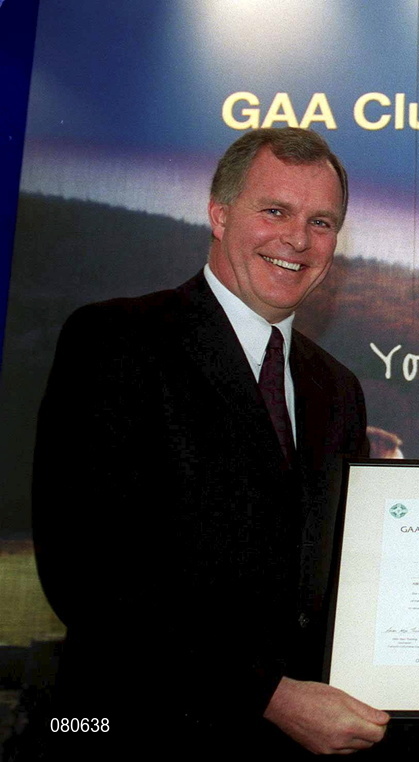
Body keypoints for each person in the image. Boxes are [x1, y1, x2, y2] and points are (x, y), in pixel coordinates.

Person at [32, 128, 389, 758]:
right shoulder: (117, 342)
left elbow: (340, 572)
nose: (298, 239)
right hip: (139, 737)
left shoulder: (337, 389)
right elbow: (87, 574)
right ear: (219, 214)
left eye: (322, 221)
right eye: (275, 211)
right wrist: (268, 696)